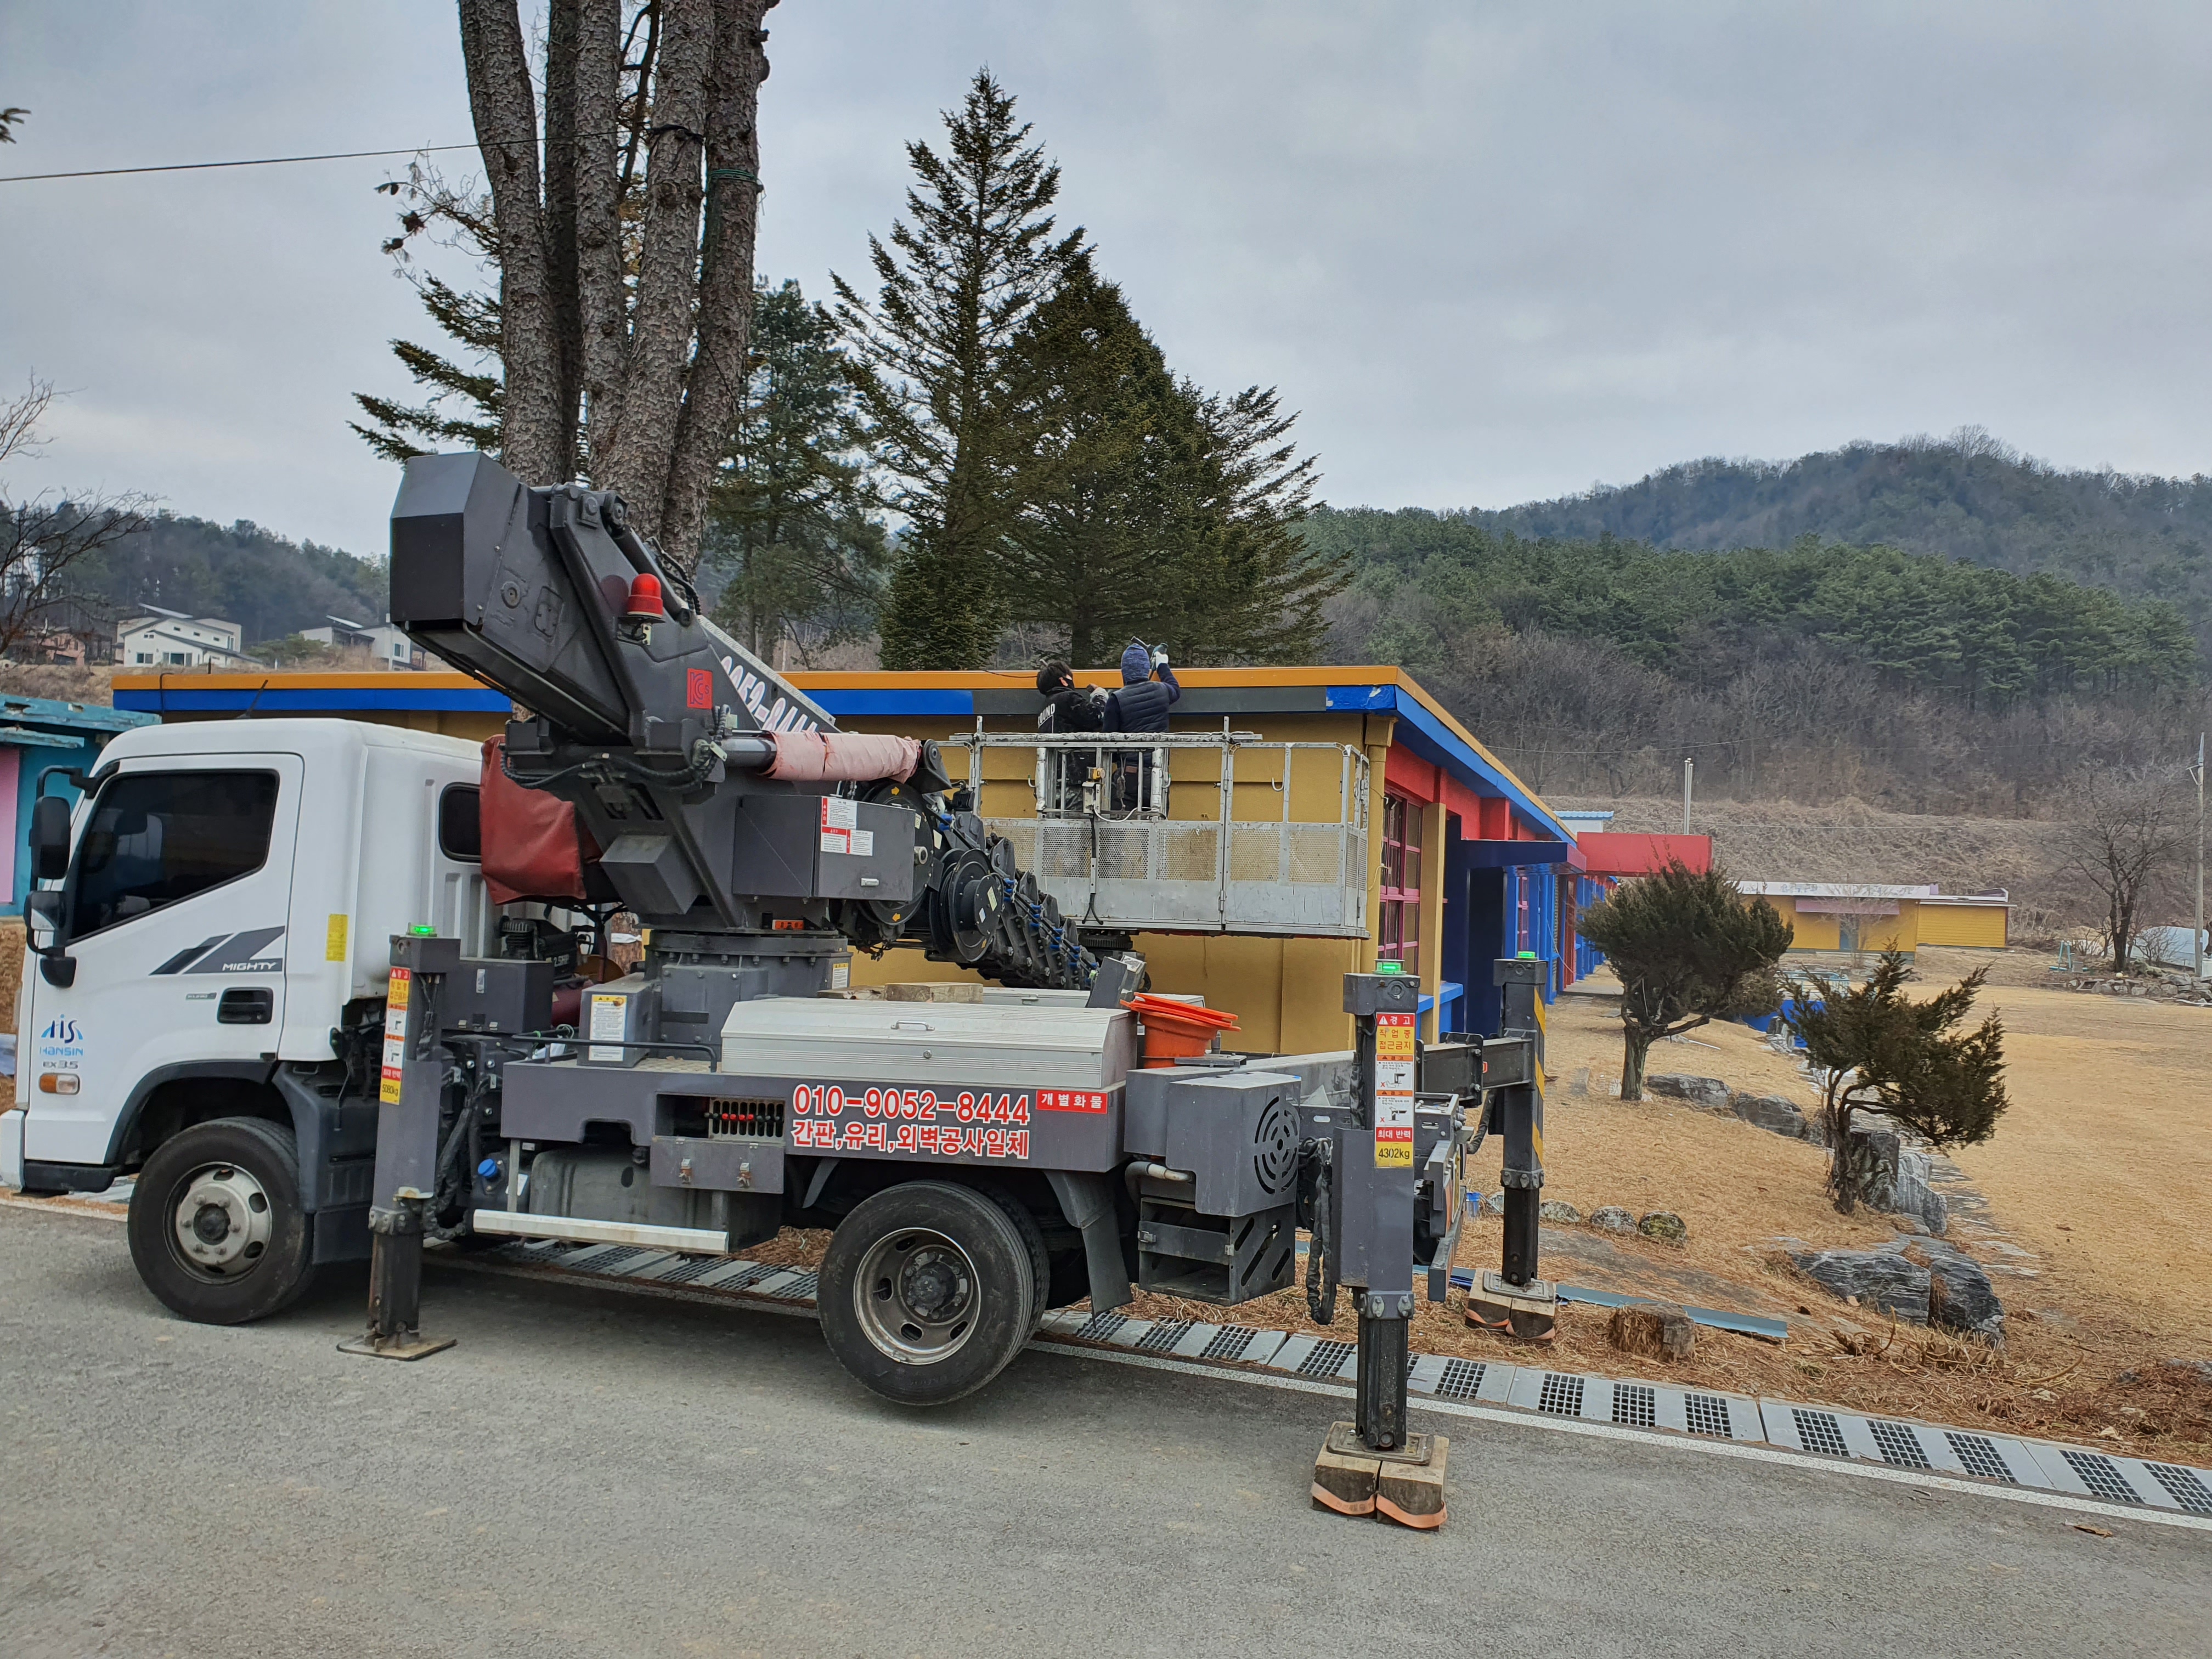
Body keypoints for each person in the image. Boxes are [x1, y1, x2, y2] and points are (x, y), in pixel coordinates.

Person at [1103, 640, 1180, 810]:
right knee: (1156, 827)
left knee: (1117, 827)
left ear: (1124, 671)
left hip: (1128, 773)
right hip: (1157, 773)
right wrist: (1162, 665)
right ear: (1146, 668)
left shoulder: (1116, 699)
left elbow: (1108, 740)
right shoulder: (1163, 690)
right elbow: (1176, 688)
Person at [1034, 659, 1105, 733]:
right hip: (1071, 745)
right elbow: (1095, 716)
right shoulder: (1067, 698)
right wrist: (1099, 695)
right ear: (1063, 681)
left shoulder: (1044, 709)